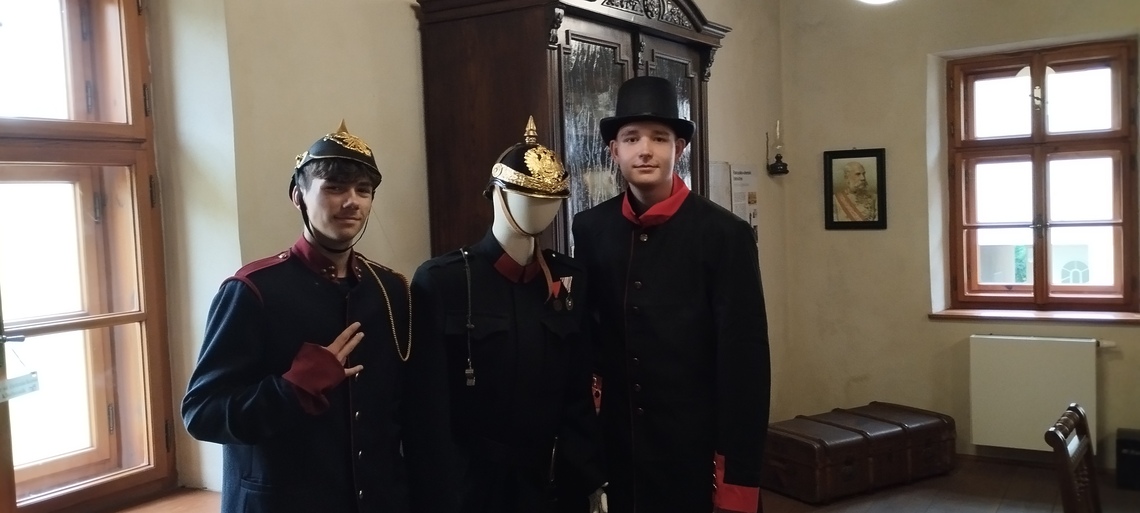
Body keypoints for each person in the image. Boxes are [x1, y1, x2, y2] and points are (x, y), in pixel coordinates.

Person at [181, 122, 419, 512]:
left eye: (363, 190)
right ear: (299, 196)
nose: (352, 202)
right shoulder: (253, 289)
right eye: (334, 188)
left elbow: (402, 412)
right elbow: (202, 413)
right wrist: (291, 389)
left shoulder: (389, 289)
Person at [571, 76, 771, 513]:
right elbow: (586, 340)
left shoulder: (725, 235)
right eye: (632, 138)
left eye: (659, 138)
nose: (645, 150)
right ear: (614, 151)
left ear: (679, 148)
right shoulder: (591, 229)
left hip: (693, 457)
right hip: (617, 452)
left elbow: (744, 366)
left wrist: (736, 482)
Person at [410, 117, 605, 513]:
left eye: (552, 198)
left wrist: (589, 480)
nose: (542, 208)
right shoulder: (444, 281)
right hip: (473, 487)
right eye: (527, 194)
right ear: (497, 194)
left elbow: (578, 397)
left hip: (550, 484)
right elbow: (426, 409)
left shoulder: (568, 279)